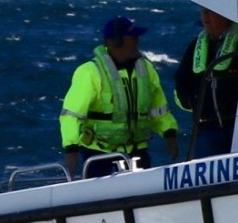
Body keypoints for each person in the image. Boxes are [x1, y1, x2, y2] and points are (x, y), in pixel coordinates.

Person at [60, 16, 180, 179]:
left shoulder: (146, 70)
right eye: (132, 38)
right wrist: (71, 150)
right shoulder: (89, 72)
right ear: (115, 42)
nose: (137, 41)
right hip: (100, 154)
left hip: (137, 152)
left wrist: (169, 134)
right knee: (101, 201)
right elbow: (71, 114)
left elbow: (159, 108)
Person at [176, 7, 238, 159]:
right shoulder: (194, 47)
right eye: (203, 11)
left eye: (210, 11)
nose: (205, 15)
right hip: (208, 129)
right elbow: (181, 81)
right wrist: (192, 100)